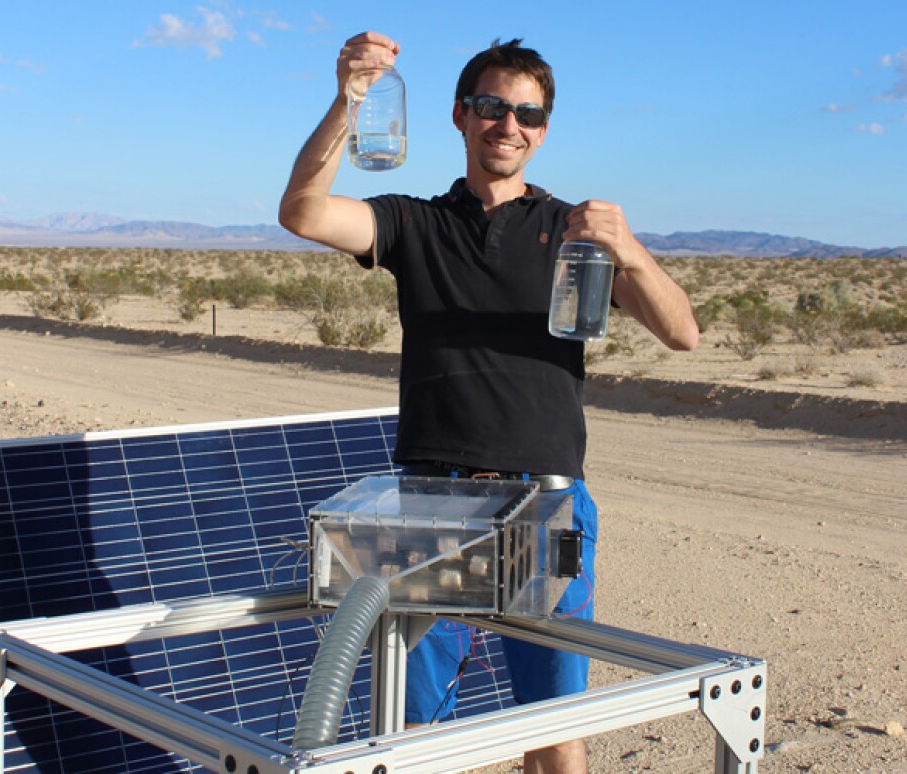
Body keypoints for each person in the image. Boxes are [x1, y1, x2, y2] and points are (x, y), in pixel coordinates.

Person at [279, 31, 699, 774]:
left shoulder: (576, 234)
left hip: (549, 505)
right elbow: (304, 212)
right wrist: (348, 102)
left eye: (528, 115)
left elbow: (681, 332)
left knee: (556, 728)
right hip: (430, 506)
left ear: (544, 130)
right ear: (459, 116)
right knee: (407, 731)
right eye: (491, 107)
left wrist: (629, 247)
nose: (509, 126)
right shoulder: (414, 224)